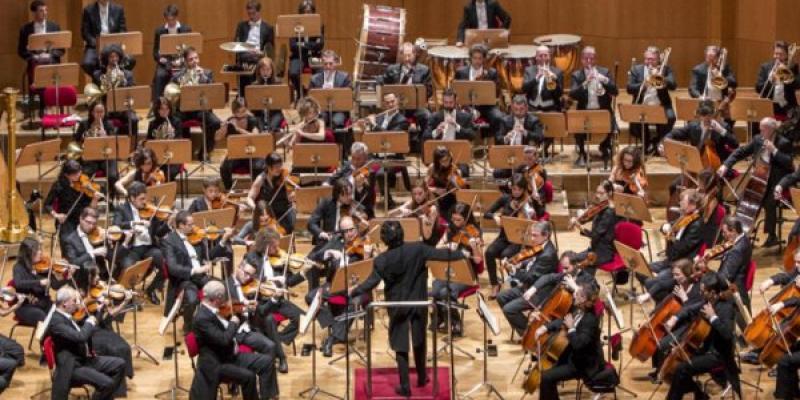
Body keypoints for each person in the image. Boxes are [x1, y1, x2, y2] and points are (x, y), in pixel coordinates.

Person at [349, 221, 464, 396]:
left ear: (384, 239)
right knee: (420, 340)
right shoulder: (418, 249)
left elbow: (371, 283)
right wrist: (462, 253)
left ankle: (405, 386)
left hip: (397, 305)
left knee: (400, 343)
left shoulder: (382, 260)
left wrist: (354, 290)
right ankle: (422, 376)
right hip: (419, 303)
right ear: (402, 234)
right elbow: (443, 255)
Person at [189, 280, 277, 400]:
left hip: (229, 355)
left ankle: (267, 397)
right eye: (224, 296)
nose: (225, 300)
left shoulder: (212, 310)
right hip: (217, 363)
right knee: (249, 377)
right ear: (218, 298)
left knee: (266, 362)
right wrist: (233, 323)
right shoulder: (202, 318)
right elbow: (224, 339)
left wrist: (243, 311)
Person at [665, 271, 741, 400]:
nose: (700, 293)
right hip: (704, 349)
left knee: (681, 369)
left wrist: (713, 318)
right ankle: (699, 394)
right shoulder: (708, 301)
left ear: (712, 292)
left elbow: (727, 334)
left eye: (703, 291)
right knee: (675, 364)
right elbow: (690, 309)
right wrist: (675, 318)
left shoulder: (726, 308)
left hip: (719, 355)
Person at [718, 117, 793, 247]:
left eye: (763, 129)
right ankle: (743, 233)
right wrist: (726, 165)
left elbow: (788, 163)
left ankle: (771, 235)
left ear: (772, 129)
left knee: (769, 202)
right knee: (744, 200)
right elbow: (740, 152)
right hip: (759, 178)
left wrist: (774, 150)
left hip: (776, 181)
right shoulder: (758, 139)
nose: (760, 131)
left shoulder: (783, 142)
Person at [307, 216, 374, 356]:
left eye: (352, 229)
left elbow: (369, 272)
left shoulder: (363, 246)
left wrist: (367, 256)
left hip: (355, 287)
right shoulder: (336, 242)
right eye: (347, 231)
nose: (351, 233)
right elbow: (315, 256)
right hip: (335, 285)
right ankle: (336, 326)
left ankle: (331, 340)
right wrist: (329, 253)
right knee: (311, 297)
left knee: (353, 303)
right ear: (341, 233)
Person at [47, 286, 126, 400]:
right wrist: (88, 322)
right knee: (107, 384)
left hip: (84, 359)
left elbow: (92, 324)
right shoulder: (56, 322)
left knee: (120, 364)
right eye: (74, 300)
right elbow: (81, 337)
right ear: (65, 303)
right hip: (72, 367)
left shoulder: (67, 316)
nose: (77, 303)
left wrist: (100, 310)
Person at [533, 282, 607, 400]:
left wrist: (571, 328)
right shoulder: (578, 309)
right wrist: (545, 327)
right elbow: (564, 319)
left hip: (583, 364)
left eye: (579, 294)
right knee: (544, 367)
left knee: (546, 377)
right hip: (572, 354)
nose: (575, 295)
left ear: (585, 300)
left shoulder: (590, 320)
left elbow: (579, 344)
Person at [162, 211, 233, 333]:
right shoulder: (170, 241)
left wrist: (223, 239)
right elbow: (173, 268)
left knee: (224, 286)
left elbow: (209, 256)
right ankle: (188, 327)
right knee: (192, 299)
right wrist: (195, 270)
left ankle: (216, 321)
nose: (194, 227)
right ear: (180, 226)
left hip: (201, 277)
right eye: (190, 224)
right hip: (184, 280)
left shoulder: (196, 237)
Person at [635, 259, 705, 382]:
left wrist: (685, 299)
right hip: (673, 319)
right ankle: (657, 369)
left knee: (662, 344)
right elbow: (660, 284)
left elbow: (695, 313)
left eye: (678, 274)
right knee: (656, 337)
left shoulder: (697, 289)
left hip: (687, 323)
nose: (675, 277)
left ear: (688, 274)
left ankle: (665, 371)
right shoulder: (677, 282)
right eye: (673, 274)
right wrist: (648, 295)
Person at [243, 229, 304, 370]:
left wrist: (302, 273)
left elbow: (289, 281)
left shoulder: (278, 259)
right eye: (274, 246)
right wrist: (272, 279)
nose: (278, 250)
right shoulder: (251, 257)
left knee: (301, 317)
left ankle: (278, 339)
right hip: (261, 302)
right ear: (265, 246)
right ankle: (281, 357)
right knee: (270, 320)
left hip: (277, 299)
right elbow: (251, 280)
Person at [496, 221, 558, 336]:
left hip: (540, 292)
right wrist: (520, 264)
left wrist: (514, 271)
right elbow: (532, 262)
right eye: (531, 234)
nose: (532, 238)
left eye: (535, 235)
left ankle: (528, 334)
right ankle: (524, 328)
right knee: (500, 296)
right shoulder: (540, 246)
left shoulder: (548, 255)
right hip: (529, 286)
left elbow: (530, 277)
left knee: (509, 309)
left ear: (546, 235)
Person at [113, 182, 169, 305]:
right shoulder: (121, 209)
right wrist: (134, 224)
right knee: (129, 268)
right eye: (141, 199)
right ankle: (128, 297)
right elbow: (117, 226)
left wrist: (168, 224)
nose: (145, 202)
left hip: (149, 248)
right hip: (131, 249)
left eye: (145, 198)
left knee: (167, 264)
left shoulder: (150, 210)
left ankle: (151, 289)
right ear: (132, 198)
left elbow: (158, 233)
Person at [432, 202, 483, 336]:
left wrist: (474, 247)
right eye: (453, 219)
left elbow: (479, 263)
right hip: (450, 271)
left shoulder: (474, 232)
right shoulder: (450, 230)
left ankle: (456, 323)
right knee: (436, 287)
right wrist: (447, 245)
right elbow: (437, 248)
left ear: (467, 218)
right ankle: (441, 317)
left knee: (446, 292)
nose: (455, 222)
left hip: (467, 274)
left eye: (459, 220)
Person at [483, 176, 538, 298]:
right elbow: (486, 213)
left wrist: (531, 211)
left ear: (524, 190)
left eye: (519, 190)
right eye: (514, 189)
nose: (516, 192)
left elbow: (535, 222)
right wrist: (495, 217)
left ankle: (514, 286)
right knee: (489, 252)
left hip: (519, 240)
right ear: (510, 188)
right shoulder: (505, 199)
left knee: (505, 255)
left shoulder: (528, 202)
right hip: (503, 237)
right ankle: (495, 284)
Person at [698, 216, 752, 330]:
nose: (723, 235)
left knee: (702, 289)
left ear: (733, 231)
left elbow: (724, 279)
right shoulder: (743, 239)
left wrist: (707, 270)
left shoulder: (736, 250)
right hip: (734, 280)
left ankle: (707, 326)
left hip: (732, 288)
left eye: (725, 232)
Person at [569, 46, 618, 168]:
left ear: (595, 59)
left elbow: (615, 92)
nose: (589, 61)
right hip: (584, 112)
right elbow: (573, 94)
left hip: (603, 111)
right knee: (577, 127)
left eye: (592, 58)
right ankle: (581, 152)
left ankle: (605, 146)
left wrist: (605, 80)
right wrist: (585, 83)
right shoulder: (577, 75)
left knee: (613, 127)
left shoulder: (605, 72)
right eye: (586, 58)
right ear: (582, 59)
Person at [172, 46, 221, 160]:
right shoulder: (177, 76)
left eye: (196, 58)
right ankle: (182, 152)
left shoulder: (207, 73)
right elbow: (171, 92)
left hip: (200, 110)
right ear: (185, 61)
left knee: (215, 123)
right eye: (191, 59)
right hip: (184, 110)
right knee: (174, 122)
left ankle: (204, 152)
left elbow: (212, 91)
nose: (194, 61)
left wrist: (202, 76)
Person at [378, 42, 433, 143]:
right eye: (404, 55)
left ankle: (423, 144)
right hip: (396, 106)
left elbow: (429, 90)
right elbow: (381, 83)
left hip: (416, 106)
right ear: (400, 55)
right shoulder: (392, 69)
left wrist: (418, 95)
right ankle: (396, 145)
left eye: (409, 55)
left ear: (414, 54)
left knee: (426, 116)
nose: (407, 58)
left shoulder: (424, 70)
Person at [626, 46, 677, 154]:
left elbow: (673, 86)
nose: (649, 62)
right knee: (634, 121)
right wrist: (643, 84)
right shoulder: (636, 70)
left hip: (661, 105)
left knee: (671, 117)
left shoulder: (666, 69)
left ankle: (659, 141)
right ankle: (646, 142)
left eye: (652, 59)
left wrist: (661, 77)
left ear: (658, 59)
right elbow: (629, 89)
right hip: (642, 105)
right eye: (647, 59)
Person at [88, 283, 134, 397]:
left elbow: (112, 313)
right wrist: (99, 308)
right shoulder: (83, 297)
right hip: (92, 333)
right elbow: (93, 322)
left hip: (105, 330)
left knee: (124, 347)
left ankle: (120, 380)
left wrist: (125, 302)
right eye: (96, 278)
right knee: (115, 350)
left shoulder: (102, 296)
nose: (100, 282)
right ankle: (114, 387)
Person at [43, 160, 101, 244]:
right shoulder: (59, 185)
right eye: (75, 174)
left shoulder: (85, 184)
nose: (79, 175)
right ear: (66, 175)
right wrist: (57, 215)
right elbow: (47, 205)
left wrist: (95, 199)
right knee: (69, 242)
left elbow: (91, 209)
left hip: (83, 220)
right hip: (66, 220)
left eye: (79, 172)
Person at [567, 180, 617, 276]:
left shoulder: (609, 212)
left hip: (604, 252)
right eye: (597, 192)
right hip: (595, 248)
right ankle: (585, 284)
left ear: (610, 193)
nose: (598, 196)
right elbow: (587, 217)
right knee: (572, 259)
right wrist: (579, 217)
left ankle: (587, 286)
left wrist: (579, 226)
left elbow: (595, 235)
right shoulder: (600, 207)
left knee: (575, 262)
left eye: (601, 193)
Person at [522, 45, 564, 158]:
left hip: (549, 107)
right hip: (532, 107)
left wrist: (553, 79)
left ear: (549, 57)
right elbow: (524, 88)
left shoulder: (557, 72)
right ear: (536, 57)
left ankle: (544, 148)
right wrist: (536, 78)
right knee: (525, 121)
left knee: (553, 121)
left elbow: (558, 94)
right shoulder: (529, 70)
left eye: (546, 55)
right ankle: (532, 149)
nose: (543, 58)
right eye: (540, 55)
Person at [453, 44, 504, 136]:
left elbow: (496, 93)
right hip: (466, 107)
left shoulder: (491, 72)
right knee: (457, 116)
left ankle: (491, 144)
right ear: (470, 58)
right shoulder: (461, 72)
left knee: (498, 117)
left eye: (480, 58)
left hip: (486, 107)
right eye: (475, 58)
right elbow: (456, 91)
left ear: (484, 59)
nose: (477, 61)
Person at [217, 97, 265, 190]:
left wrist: (239, 129)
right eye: (239, 111)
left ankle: (257, 190)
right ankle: (229, 190)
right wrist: (223, 129)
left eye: (244, 110)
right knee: (224, 168)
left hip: (252, 152)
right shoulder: (230, 121)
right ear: (234, 112)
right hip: (236, 153)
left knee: (259, 167)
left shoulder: (252, 120)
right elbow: (217, 138)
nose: (242, 114)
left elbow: (256, 137)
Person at [244, 153, 297, 234]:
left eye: (280, 166)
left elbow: (290, 197)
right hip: (268, 216)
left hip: (283, 214)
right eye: (276, 167)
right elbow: (249, 198)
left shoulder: (284, 176)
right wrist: (256, 209)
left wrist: (293, 195)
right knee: (264, 232)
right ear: (268, 167)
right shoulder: (261, 179)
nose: (279, 169)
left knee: (278, 233)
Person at [18, 0, 64, 91]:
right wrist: (34, 56)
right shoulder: (25, 29)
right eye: (41, 11)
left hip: (51, 60)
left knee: (49, 66)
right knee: (38, 67)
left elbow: (61, 49)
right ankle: (44, 99)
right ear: (34, 13)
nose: (45, 13)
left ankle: (45, 98)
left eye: (46, 10)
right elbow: (21, 50)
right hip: (35, 61)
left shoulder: (54, 26)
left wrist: (50, 55)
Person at [74, 101, 120, 193]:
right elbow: (76, 139)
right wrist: (84, 137)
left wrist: (106, 136)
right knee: (85, 175)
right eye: (97, 112)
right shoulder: (84, 124)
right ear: (92, 112)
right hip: (90, 156)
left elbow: (114, 144)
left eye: (102, 112)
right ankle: (87, 197)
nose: (99, 114)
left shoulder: (108, 124)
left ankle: (110, 198)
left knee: (113, 176)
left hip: (106, 157)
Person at [151, 4, 192, 104]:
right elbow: (155, 51)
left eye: (172, 19)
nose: (170, 22)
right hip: (166, 63)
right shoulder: (159, 31)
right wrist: (160, 59)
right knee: (159, 76)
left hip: (182, 62)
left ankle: (187, 103)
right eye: (168, 20)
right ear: (165, 18)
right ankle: (158, 106)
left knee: (190, 75)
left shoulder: (186, 29)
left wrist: (183, 60)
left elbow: (190, 49)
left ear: (176, 17)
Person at [308, 178, 366, 245]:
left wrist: (363, 227)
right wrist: (321, 233)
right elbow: (311, 223)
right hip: (329, 242)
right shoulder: (326, 203)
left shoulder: (354, 205)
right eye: (346, 194)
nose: (350, 197)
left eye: (351, 193)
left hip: (349, 244)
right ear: (337, 195)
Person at [327, 142, 378, 217]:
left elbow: (368, 196)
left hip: (361, 208)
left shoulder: (369, 171)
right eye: (353, 158)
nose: (355, 161)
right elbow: (333, 178)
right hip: (344, 205)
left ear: (365, 158)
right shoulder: (348, 165)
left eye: (358, 159)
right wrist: (326, 184)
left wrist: (359, 187)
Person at [62, 207, 108, 290]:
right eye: (88, 222)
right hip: (84, 281)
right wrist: (92, 253)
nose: (91, 226)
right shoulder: (70, 240)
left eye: (94, 223)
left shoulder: (98, 234)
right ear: (80, 219)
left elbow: (108, 255)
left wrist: (109, 242)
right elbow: (74, 262)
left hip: (101, 276)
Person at [80, 0, 130, 76]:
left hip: (115, 46)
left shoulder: (118, 9)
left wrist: (115, 45)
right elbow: (85, 33)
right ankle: (100, 79)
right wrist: (97, 44)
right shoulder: (88, 10)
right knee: (87, 63)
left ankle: (119, 79)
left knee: (130, 60)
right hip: (95, 46)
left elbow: (122, 30)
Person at [234, 0, 275, 91]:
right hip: (245, 55)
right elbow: (236, 43)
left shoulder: (268, 28)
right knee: (246, 59)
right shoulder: (241, 26)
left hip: (259, 56)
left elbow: (270, 48)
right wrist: (246, 49)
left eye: (253, 13)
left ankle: (256, 92)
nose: (251, 16)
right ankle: (244, 94)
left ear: (259, 12)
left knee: (258, 62)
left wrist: (261, 52)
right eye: (249, 14)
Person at [390, 180, 446, 246]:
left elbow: (427, 235)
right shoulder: (412, 202)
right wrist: (402, 210)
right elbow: (391, 214)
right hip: (416, 238)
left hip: (430, 242)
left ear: (426, 192)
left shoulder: (432, 208)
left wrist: (424, 217)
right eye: (414, 194)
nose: (417, 197)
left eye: (420, 193)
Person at [12, 237, 53, 327]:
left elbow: (55, 285)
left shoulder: (43, 267)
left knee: (60, 316)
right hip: (26, 306)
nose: (40, 252)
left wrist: (64, 276)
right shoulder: (18, 267)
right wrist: (39, 282)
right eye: (37, 250)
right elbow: (19, 283)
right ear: (28, 254)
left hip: (44, 302)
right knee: (43, 318)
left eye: (39, 249)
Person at [288, 0, 324, 99]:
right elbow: (292, 46)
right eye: (305, 11)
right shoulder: (294, 26)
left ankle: (314, 95)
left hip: (314, 55)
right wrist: (311, 45)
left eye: (309, 11)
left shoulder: (319, 25)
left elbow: (320, 45)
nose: (307, 14)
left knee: (321, 73)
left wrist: (302, 44)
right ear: (301, 12)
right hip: (298, 56)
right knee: (293, 73)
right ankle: (301, 93)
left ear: (313, 12)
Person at [757, 40, 800, 124]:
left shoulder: (792, 66)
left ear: (787, 55)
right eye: (776, 53)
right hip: (770, 107)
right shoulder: (765, 67)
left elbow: (798, 85)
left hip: (788, 108)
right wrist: (770, 80)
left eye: (781, 54)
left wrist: (787, 76)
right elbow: (758, 88)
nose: (777, 57)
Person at [689, 45, 737, 117]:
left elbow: (734, 83)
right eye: (708, 57)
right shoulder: (698, 69)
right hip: (705, 103)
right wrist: (700, 97)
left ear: (718, 58)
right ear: (705, 57)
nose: (710, 60)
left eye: (713, 58)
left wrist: (720, 77)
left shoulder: (724, 68)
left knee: (728, 124)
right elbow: (692, 88)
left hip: (721, 103)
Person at [309, 50, 351, 131]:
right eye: (325, 64)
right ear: (322, 64)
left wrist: (333, 92)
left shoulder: (344, 77)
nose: (328, 66)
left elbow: (348, 96)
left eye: (331, 63)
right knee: (320, 121)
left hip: (339, 110)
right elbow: (310, 98)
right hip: (321, 110)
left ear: (335, 63)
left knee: (337, 121)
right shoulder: (314, 79)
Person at [426, 146, 469, 218]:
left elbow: (462, 189)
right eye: (443, 161)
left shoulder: (454, 169)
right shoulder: (432, 168)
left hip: (451, 200)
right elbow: (424, 187)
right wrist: (435, 189)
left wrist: (458, 185)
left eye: (448, 159)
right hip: (436, 199)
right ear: (437, 161)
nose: (447, 162)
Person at [251, 57, 285, 132]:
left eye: (268, 69)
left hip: (275, 113)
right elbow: (252, 106)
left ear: (272, 71)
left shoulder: (278, 83)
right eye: (263, 70)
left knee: (271, 128)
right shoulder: (254, 85)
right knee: (261, 129)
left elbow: (282, 102)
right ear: (259, 71)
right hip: (259, 114)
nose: (265, 72)